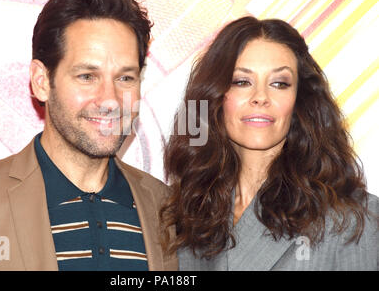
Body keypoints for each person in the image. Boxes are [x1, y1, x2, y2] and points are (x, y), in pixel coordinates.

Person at [0, 0, 177, 271]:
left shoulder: (165, 209)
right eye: (87, 76)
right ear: (41, 81)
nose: (110, 100)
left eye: (125, 78)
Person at [160, 16, 378, 270]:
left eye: (279, 83)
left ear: (300, 100)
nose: (260, 97)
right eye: (242, 82)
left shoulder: (354, 220)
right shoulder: (186, 214)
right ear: (215, 97)